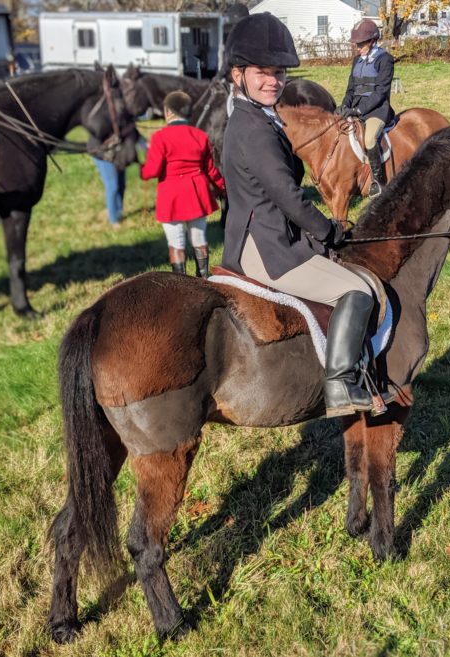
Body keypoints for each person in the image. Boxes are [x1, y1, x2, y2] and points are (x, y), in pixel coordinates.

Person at [221, 13, 378, 418]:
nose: (273, 80)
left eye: (278, 72)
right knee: (358, 292)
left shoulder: (250, 116)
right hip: (268, 245)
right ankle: (341, 385)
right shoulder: (255, 128)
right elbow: (289, 198)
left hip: (261, 232)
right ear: (239, 74)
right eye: (262, 73)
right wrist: (329, 231)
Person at [140, 90, 225, 277]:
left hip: (171, 195)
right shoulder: (200, 136)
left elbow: (152, 171)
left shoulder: (159, 137)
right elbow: (211, 170)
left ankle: (180, 279)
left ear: (168, 112)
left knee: (176, 242)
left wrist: (141, 170)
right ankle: (203, 277)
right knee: (199, 238)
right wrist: (224, 186)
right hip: (197, 193)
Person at [335, 18, 395, 198]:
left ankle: (379, 181)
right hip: (356, 107)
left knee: (369, 139)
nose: (357, 47)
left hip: (377, 109)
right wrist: (345, 104)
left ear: (372, 41)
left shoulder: (385, 60)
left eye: (360, 44)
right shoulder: (357, 60)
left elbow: (380, 92)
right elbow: (351, 88)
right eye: (356, 44)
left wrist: (360, 111)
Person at [93, 157, 126, 228]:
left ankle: (119, 212)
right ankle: (113, 219)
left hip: (119, 153)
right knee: (112, 186)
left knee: (121, 184)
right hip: (103, 154)